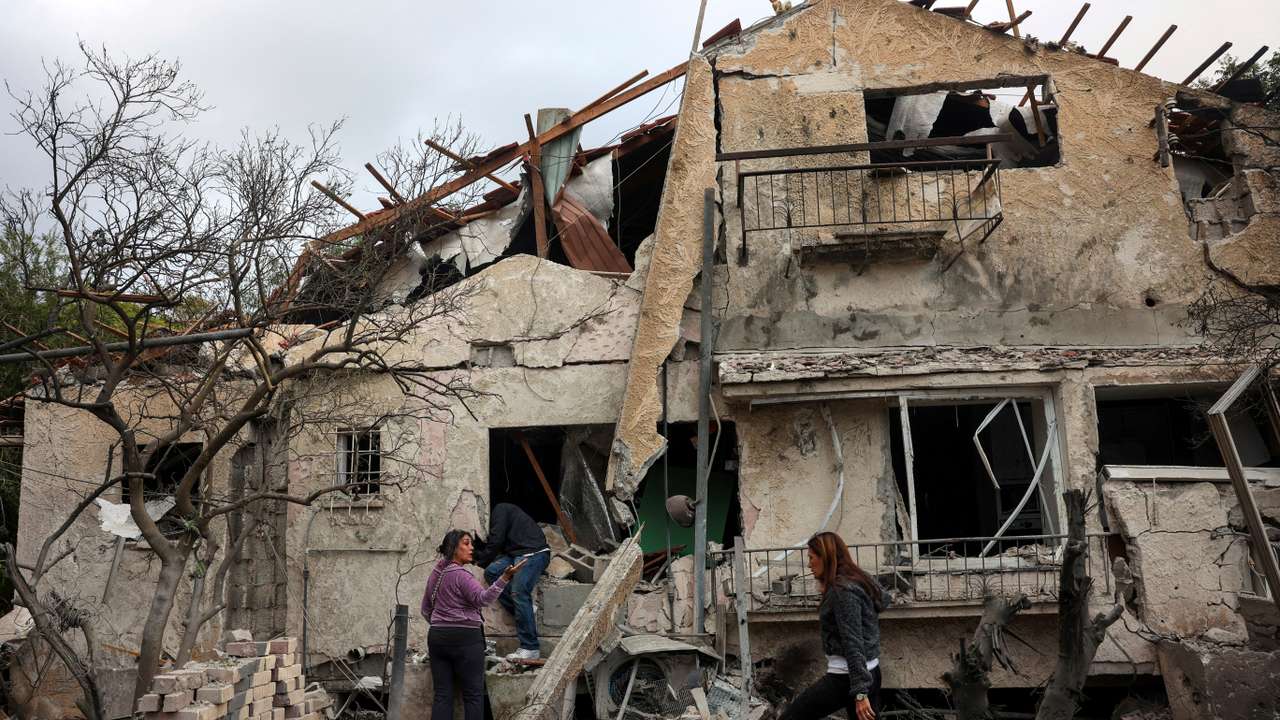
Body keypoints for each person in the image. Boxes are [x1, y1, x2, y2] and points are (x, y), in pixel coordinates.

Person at [779, 531, 891, 720]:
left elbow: (852, 642)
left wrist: (860, 692)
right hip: (869, 672)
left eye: (811, 558)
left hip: (847, 678)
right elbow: (884, 599)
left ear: (826, 557)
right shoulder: (857, 579)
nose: (808, 564)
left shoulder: (842, 591)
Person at [423, 529, 525, 720]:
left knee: (442, 695)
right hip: (466, 639)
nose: (471, 548)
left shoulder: (436, 574)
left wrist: (443, 625)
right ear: (453, 548)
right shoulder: (462, 575)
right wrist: (504, 578)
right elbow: (483, 599)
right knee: (473, 695)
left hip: (437, 637)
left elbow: (425, 609)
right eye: (466, 543)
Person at [476, 502, 551, 660]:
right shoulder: (503, 516)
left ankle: (530, 647)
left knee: (519, 591)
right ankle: (526, 609)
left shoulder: (500, 509)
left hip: (534, 553)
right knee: (492, 572)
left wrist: (480, 561)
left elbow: (496, 541)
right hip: (515, 554)